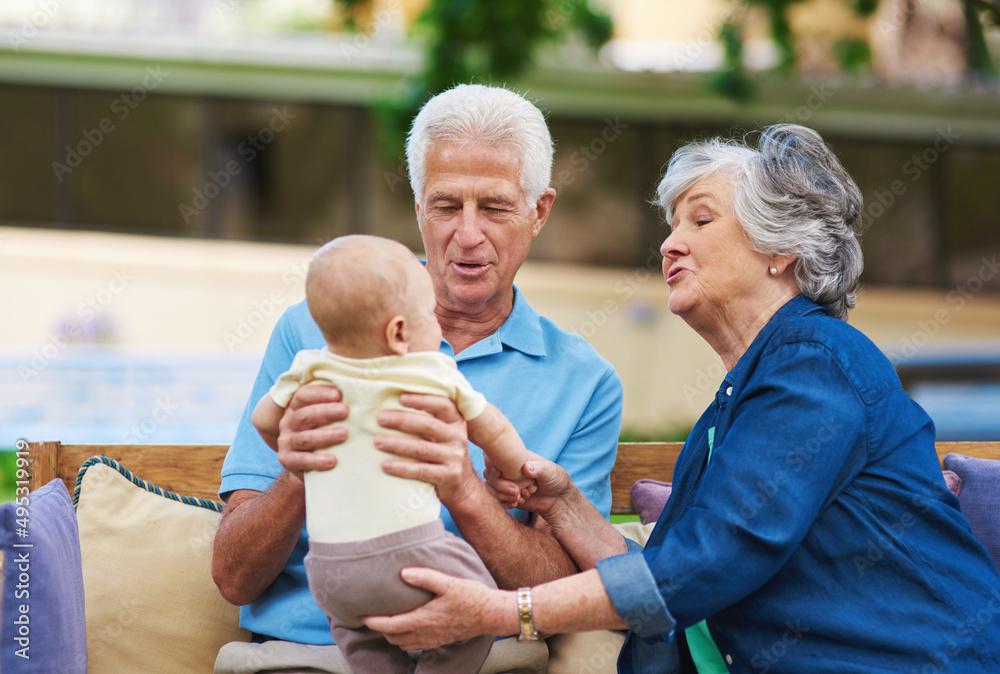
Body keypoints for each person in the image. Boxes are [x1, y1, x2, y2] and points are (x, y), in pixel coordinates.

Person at [362, 124, 1000, 673]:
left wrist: (505, 610)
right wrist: (566, 507)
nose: (669, 243)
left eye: (700, 219)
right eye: (671, 225)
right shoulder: (742, 396)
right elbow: (669, 576)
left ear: (780, 247)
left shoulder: (817, 364)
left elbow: (702, 569)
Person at [212, 84, 624, 672]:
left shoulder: (583, 381)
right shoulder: (310, 331)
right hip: (303, 656)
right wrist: (302, 472)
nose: (468, 233)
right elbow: (232, 577)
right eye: (446, 205)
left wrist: (464, 488)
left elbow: (565, 589)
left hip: (480, 659)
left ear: (540, 211)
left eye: (496, 207)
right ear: (417, 206)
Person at [250, 234, 536, 673]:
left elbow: (265, 422)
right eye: (430, 317)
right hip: (411, 557)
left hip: (330, 575)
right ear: (399, 332)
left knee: (356, 633)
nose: (437, 328)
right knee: (482, 613)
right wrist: (513, 467)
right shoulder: (430, 370)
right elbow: (492, 426)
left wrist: (292, 454)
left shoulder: (310, 367)